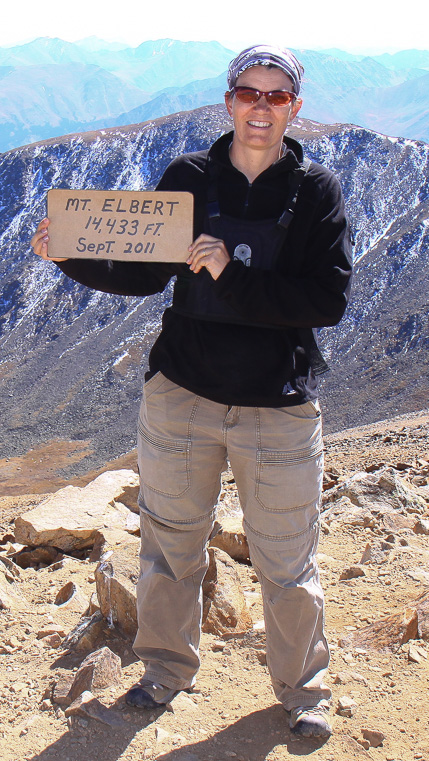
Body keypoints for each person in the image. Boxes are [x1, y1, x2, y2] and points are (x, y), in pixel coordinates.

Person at [29, 45, 352, 739]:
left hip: (278, 404)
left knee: (286, 559)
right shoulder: (190, 178)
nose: (260, 108)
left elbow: (326, 299)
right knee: (171, 544)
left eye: (275, 96)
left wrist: (228, 275)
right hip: (182, 394)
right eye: (248, 93)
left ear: (295, 107)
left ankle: (304, 691)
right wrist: (69, 255)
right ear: (229, 100)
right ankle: (165, 670)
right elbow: (144, 274)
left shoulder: (315, 192)